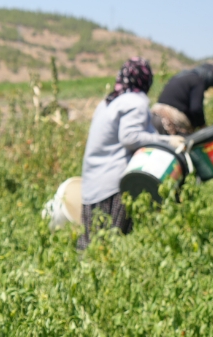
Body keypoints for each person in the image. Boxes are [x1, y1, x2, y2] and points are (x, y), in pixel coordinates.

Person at [77, 57, 184, 251]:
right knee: (113, 245)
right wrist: (168, 140)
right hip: (113, 184)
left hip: (92, 183)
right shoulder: (136, 102)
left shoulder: (109, 101)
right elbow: (130, 137)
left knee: (92, 244)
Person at [152, 63, 213, 135]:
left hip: (154, 114)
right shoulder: (198, 80)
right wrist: (203, 127)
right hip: (171, 121)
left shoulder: (181, 76)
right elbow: (196, 109)